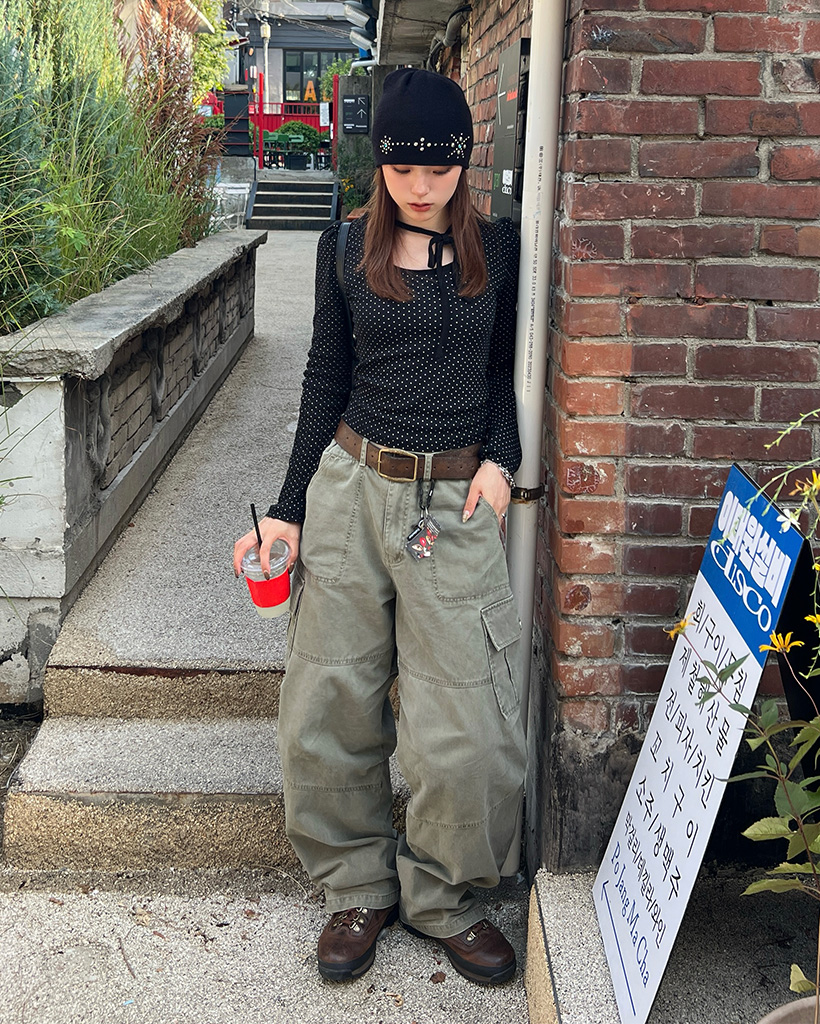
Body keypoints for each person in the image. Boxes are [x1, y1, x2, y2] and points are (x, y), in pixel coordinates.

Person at [233, 67, 527, 987]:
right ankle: (357, 886)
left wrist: (502, 457)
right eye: (402, 167)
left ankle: (445, 896)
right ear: (380, 162)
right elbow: (325, 375)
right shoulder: (344, 246)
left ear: (464, 161)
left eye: (439, 167)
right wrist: (288, 510)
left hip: (457, 503)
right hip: (352, 490)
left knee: (468, 723)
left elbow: (502, 373)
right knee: (328, 703)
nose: (421, 186)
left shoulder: (499, 249)